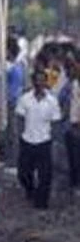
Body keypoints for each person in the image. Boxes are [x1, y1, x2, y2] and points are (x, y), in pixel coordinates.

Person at [16, 69, 62, 209]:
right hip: (27, 140)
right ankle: (30, 190)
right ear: (33, 82)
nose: (39, 83)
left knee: (45, 175)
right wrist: (20, 135)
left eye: (42, 80)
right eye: (37, 80)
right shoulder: (25, 99)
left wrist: (54, 141)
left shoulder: (52, 101)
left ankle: (41, 203)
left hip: (44, 141)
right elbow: (19, 118)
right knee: (23, 173)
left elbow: (55, 122)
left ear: (46, 82)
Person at [66, 59, 80, 198]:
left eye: (76, 67)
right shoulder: (73, 84)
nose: (73, 70)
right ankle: (74, 183)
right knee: (73, 157)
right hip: (72, 125)